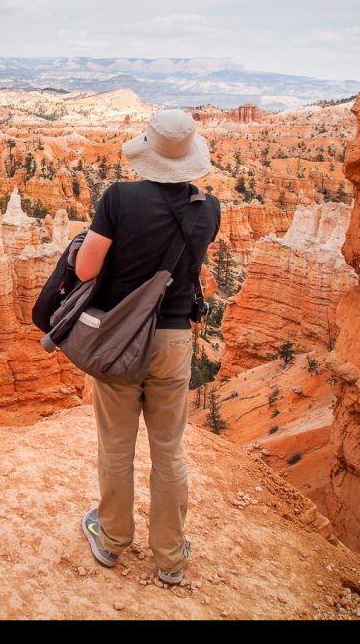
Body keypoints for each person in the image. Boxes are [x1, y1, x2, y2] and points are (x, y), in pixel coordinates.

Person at [74, 109, 221, 585]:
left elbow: (85, 270)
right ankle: (170, 557)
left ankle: (113, 540)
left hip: (119, 337)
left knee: (117, 445)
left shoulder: (119, 198)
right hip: (174, 338)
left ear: (148, 154)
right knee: (169, 448)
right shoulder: (208, 207)